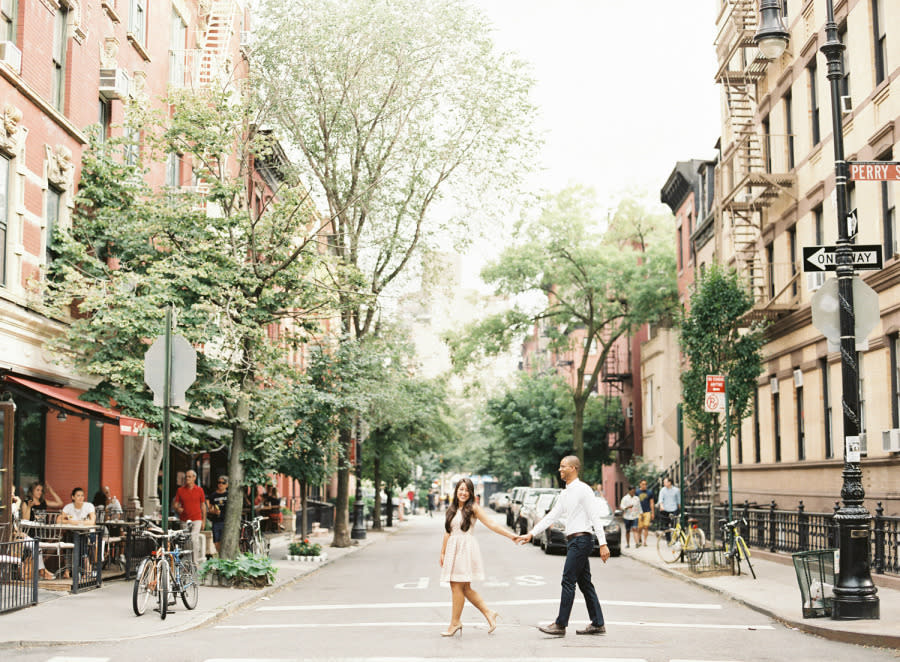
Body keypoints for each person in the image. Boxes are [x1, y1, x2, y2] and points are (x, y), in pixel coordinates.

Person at [515, 456, 610, 636]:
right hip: (573, 541)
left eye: (563, 466)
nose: (560, 470)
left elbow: (595, 517)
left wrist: (603, 543)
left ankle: (560, 624)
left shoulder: (583, 490)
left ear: (573, 468)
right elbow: (551, 516)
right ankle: (598, 623)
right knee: (585, 584)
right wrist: (531, 534)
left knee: (568, 580)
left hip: (582, 540)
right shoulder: (565, 493)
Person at [439, 477, 516, 637]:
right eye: (461, 489)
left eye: (467, 490)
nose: (463, 493)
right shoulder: (452, 509)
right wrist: (443, 552)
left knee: (457, 586)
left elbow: (492, 524)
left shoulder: (473, 507)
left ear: (471, 493)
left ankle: (455, 622)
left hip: (465, 548)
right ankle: (488, 613)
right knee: (464, 588)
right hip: (453, 548)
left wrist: (511, 536)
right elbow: (448, 531)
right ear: (456, 491)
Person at [173, 469, 206, 562]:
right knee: (185, 540)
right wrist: (177, 508)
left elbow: (203, 506)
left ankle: (195, 562)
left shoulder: (200, 490)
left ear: (194, 478)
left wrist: (203, 520)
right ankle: (187, 561)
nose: (187, 478)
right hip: (184, 519)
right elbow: (175, 504)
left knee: (193, 538)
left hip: (197, 518)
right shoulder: (180, 490)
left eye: (189, 477)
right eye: (186, 477)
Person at [207, 475, 229, 554]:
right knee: (216, 540)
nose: (220, 484)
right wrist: (213, 511)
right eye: (219, 482)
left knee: (225, 539)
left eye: (223, 483)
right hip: (216, 520)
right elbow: (209, 508)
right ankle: (220, 554)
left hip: (226, 520)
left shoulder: (229, 495)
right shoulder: (213, 495)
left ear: (227, 485)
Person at [635, 479, 655, 547]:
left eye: (645, 484)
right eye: (643, 484)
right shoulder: (637, 492)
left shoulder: (649, 492)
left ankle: (645, 541)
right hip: (639, 512)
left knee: (646, 527)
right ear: (640, 484)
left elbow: (651, 503)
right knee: (640, 527)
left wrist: (652, 513)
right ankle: (639, 538)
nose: (644, 485)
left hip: (647, 511)